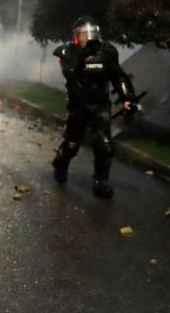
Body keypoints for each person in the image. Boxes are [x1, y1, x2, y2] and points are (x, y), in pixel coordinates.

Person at [51, 16, 136, 199]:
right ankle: (60, 163)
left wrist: (127, 97)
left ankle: (101, 181)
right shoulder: (67, 52)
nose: (88, 38)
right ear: (76, 36)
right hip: (78, 106)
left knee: (104, 144)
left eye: (91, 34)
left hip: (100, 105)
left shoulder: (107, 53)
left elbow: (118, 76)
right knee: (72, 145)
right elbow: (69, 72)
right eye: (84, 35)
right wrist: (83, 55)